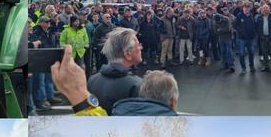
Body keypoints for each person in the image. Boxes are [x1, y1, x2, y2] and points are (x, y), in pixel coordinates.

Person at [51, 45, 179, 116]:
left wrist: (78, 93)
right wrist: (78, 93)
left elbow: (98, 129)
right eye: (136, 44)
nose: (140, 47)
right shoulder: (134, 84)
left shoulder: (93, 78)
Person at [87, 28, 143, 115]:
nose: (141, 47)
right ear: (127, 54)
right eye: (138, 44)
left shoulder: (92, 80)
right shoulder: (136, 85)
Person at [234, 2, 258, 74]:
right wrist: (240, 31)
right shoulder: (239, 16)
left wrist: (254, 34)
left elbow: (254, 26)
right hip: (242, 39)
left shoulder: (251, 16)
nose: (247, 9)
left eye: (248, 8)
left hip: (251, 38)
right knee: (241, 54)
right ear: (243, 8)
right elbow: (235, 25)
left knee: (251, 53)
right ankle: (243, 68)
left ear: (250, 8)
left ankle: (251, 66)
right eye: (245, 8)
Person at [214, 7, 235, 73]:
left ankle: (231, 65)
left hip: (228, 37)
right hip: (221, 38)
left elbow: (228, 29)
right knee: (223, 51)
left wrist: (220, 30)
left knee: (229, 51)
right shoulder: (215, 19)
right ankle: (224, 64)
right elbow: (215, 31)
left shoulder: (227, 19)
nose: (219, 22)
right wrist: (221, 30)